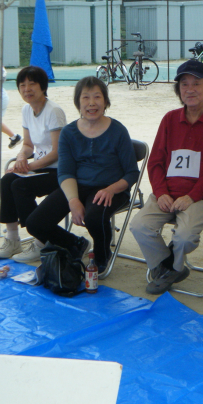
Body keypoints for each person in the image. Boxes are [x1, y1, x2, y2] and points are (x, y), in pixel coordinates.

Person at [130, 60, 203, 294]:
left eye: (196, 84)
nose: (190, 89)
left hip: (199, 198)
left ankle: (170, 267)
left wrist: (192, 196)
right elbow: (156, 162)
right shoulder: (170, 119)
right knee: (139, 225)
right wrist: (161, 193)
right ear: (178, 90)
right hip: (166, 194)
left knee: (185, 238)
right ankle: (170, 267)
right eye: (184, 84)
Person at [26, 76, 140, 273]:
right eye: (85, 97)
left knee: (94, 216)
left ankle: (102, 255)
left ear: (105, 101)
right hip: (77, 186)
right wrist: (73, 200)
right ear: (78, 102)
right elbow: (65, 171)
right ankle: (74, 244)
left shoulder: (118, 131)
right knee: (35, 223)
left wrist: (111, 189)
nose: (91, 103)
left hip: (112, 188)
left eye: (97, 97)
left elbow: (131, 173)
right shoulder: (69, 132)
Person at [0, 66, 67, 262]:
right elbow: (27, 145)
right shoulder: (27, 110)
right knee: (7, 180)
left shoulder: (54, 111)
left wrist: (29, 166)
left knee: (20, 185)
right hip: (40, 168)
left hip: (59, 171)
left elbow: (57, 152)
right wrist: (21, 158)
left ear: (43, 87)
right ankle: (12, 239)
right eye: (22, 85)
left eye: (32, 84)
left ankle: (41, 240)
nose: (26, 89)